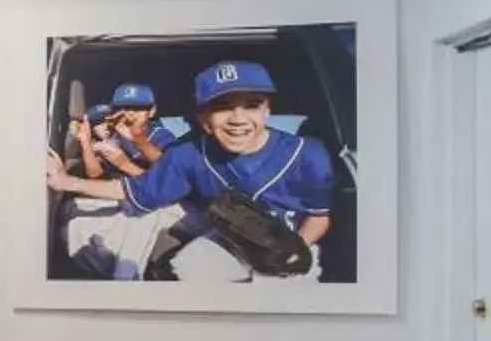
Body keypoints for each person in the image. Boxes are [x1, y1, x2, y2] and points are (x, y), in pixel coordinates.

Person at [45, 59, 335, 280]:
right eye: (222, 106)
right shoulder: (190, 154)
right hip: (228, 233)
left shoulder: (307, 152)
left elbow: (318, 217)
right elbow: (133, 190)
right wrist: (64, 180)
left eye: (252, 105)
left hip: (290, 241)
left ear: (267, 110)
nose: (238, 118)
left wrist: (288, 252)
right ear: (203, 117)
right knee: (184, 268)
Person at [53, 81, 173, 277]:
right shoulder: (117, 136)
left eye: (138, 108)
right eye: (123, 108)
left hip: (156, 207)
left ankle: (126, 278)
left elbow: (167, 183)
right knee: (70, 213)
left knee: (140, 215)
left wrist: (123, 162)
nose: (130, 114)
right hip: (124, 199)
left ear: (152, 112)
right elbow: (96, 174)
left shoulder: (161, 136)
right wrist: (85, 142)